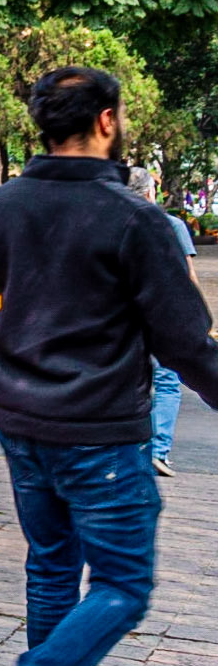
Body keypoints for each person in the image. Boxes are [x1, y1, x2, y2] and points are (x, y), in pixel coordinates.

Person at [0, 67, 218, 666]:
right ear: (105, 121)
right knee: (121, 586)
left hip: (19, 419)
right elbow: (184, 341)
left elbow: (14, 291)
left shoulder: (1, 205)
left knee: (50, 572)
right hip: (99, 432)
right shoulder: (132, 218)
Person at [126, 166, 199, 476]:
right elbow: (187, 277)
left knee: (130, 383)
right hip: (163, 316)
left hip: (125, 319)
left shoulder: (112, 224)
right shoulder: (171, 225)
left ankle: (132, 451)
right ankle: (158, 450)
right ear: (149, 193)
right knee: (168, 383)